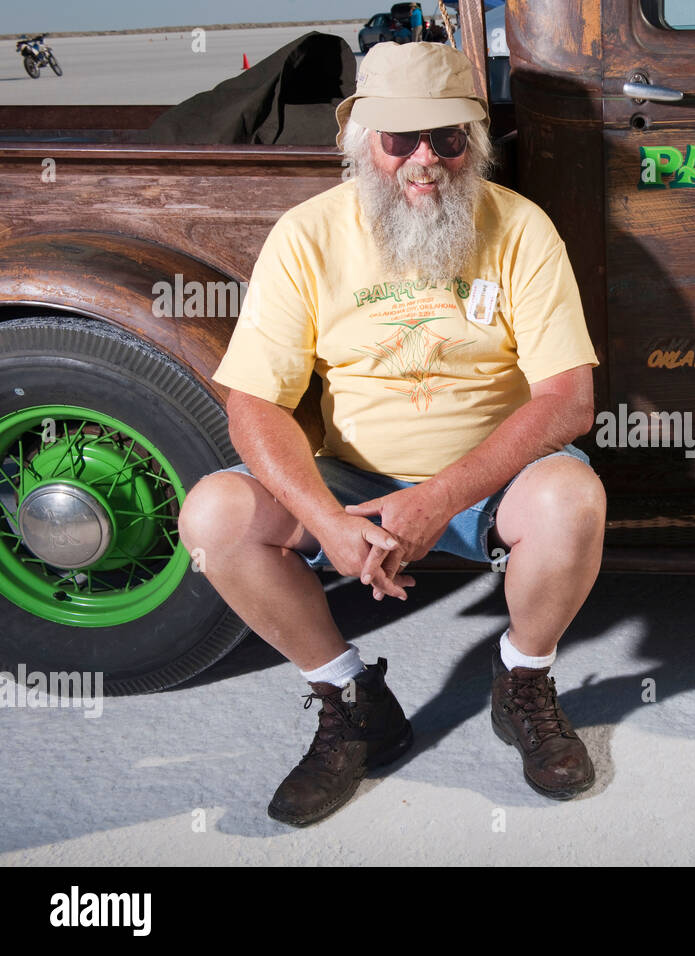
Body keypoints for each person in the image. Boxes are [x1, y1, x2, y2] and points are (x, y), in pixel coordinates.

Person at [178, 41, 605, 827]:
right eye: (399, 139)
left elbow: (568, 401)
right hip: (350, 478)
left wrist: (441, 498)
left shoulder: (521, 228)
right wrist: (324, 520)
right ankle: (350, 699)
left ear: (471, 142)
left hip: (488, 482)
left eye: (445, 139)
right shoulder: (307, 235)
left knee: (572, 497)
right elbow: (253, 406)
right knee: (212, 517)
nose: (424, 160)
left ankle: (522, 681)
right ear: (361, 143)